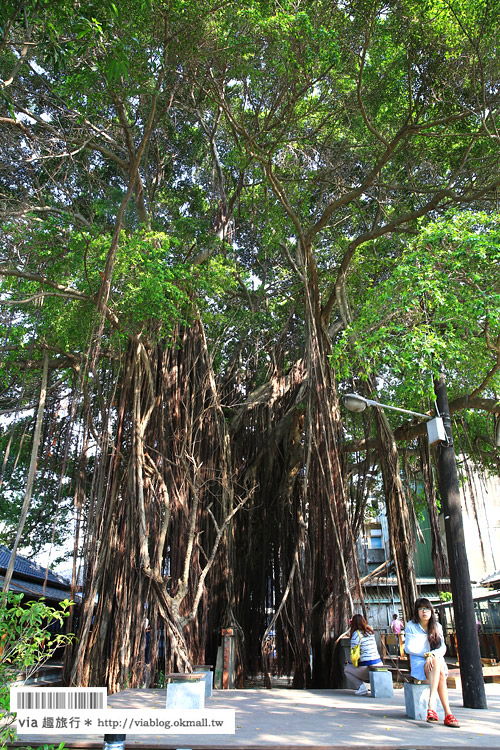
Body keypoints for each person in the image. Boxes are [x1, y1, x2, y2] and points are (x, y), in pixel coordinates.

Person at [404, 597, 460, 727]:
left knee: (437, 666)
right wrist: (427, 654)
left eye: (427, 608)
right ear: (416, 611)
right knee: (438, 667)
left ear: (431, 611)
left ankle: (433, 707)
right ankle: (447, 713)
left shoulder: (437, 626)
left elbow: (442, 648)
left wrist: (432, 654)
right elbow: (409, 647)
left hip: (435, 662)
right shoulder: (411, 626)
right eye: (421, 609)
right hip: (419, 663)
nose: (424, 611)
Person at [344, 613, 383, 696]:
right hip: (378, 663)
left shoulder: (356, 635)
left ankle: (361, 687)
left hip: (366, 668)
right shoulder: (370, 632)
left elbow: (354, 654)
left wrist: (349, 662)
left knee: (347, 669)